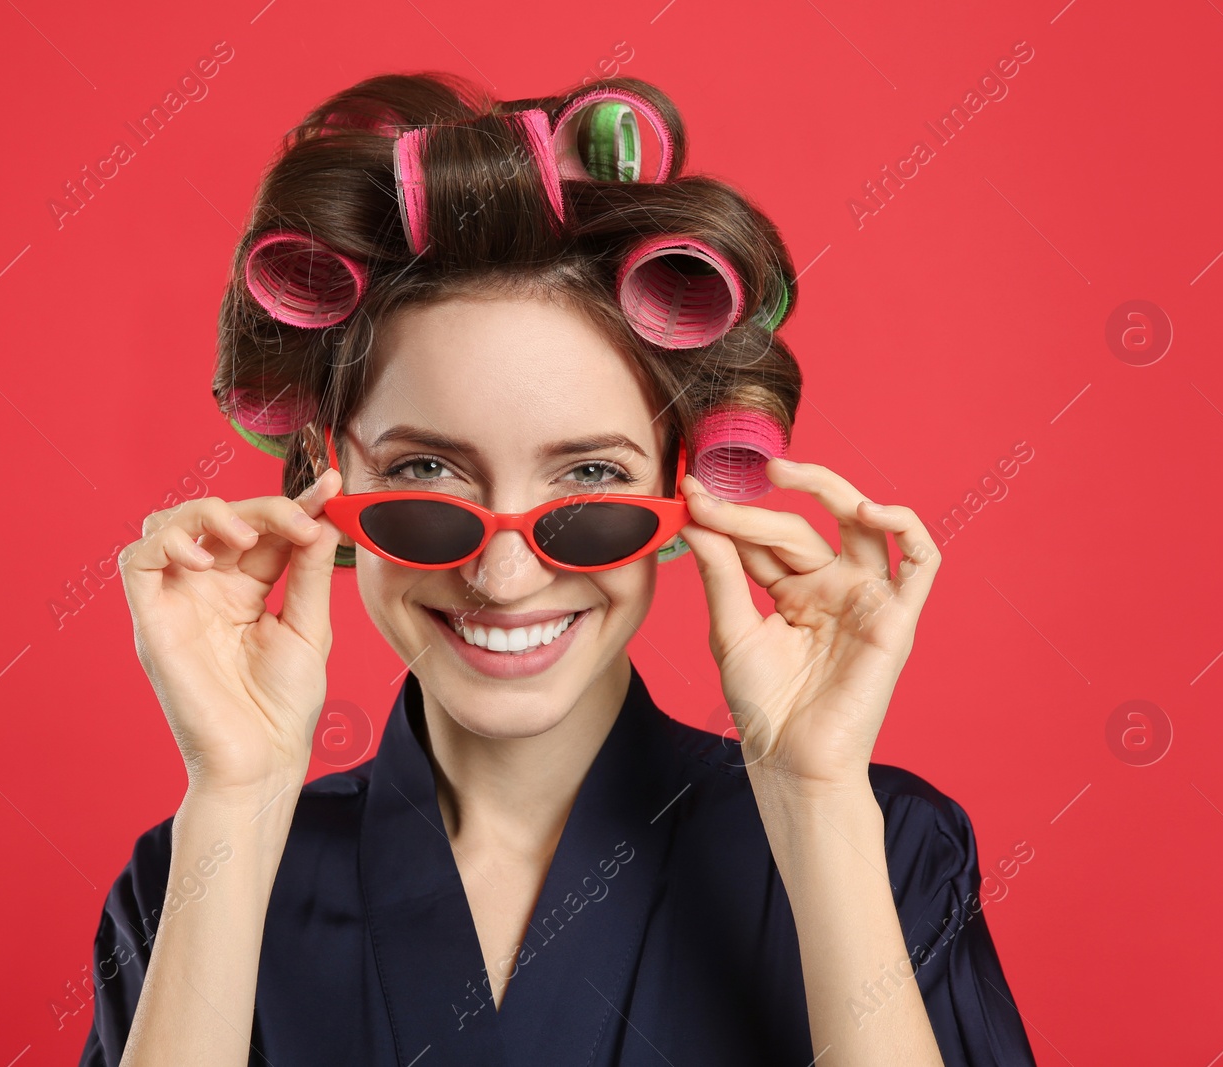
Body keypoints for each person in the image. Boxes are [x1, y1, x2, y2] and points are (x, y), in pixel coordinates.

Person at [77, 73, 1037, 1066]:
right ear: (327, 476)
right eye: (423, 474)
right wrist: (235, 798)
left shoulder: (887, 847)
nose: (501, 571)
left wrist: (817, 800)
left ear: (683, 490)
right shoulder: (195, 875)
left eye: (588, 479)